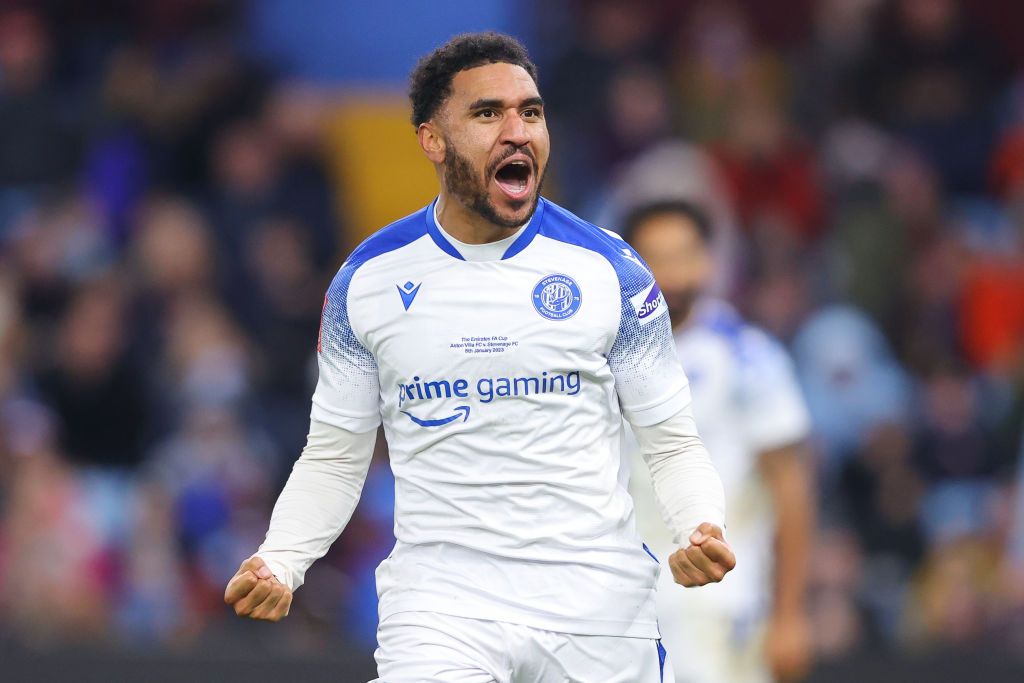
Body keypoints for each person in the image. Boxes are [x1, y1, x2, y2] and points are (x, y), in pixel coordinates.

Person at [223, 33, 734, 682]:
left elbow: (672, 442)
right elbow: (334, 456)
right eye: (488, 113)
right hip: (442, 606)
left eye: (532, 111)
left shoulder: (613, 271)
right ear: (432, 139)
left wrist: (698, 526)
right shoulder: (369, 281)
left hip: (594, 603)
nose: (517, 130)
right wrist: (283, 557)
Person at [623, 200, 815, 683]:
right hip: (625, 605)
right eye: (654, 257)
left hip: (724, 603)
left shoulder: (748, 357)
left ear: (707, 260)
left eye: (683, 254)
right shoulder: (601, 356)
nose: (670, 271)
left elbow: (791, 490)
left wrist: (790, 615)